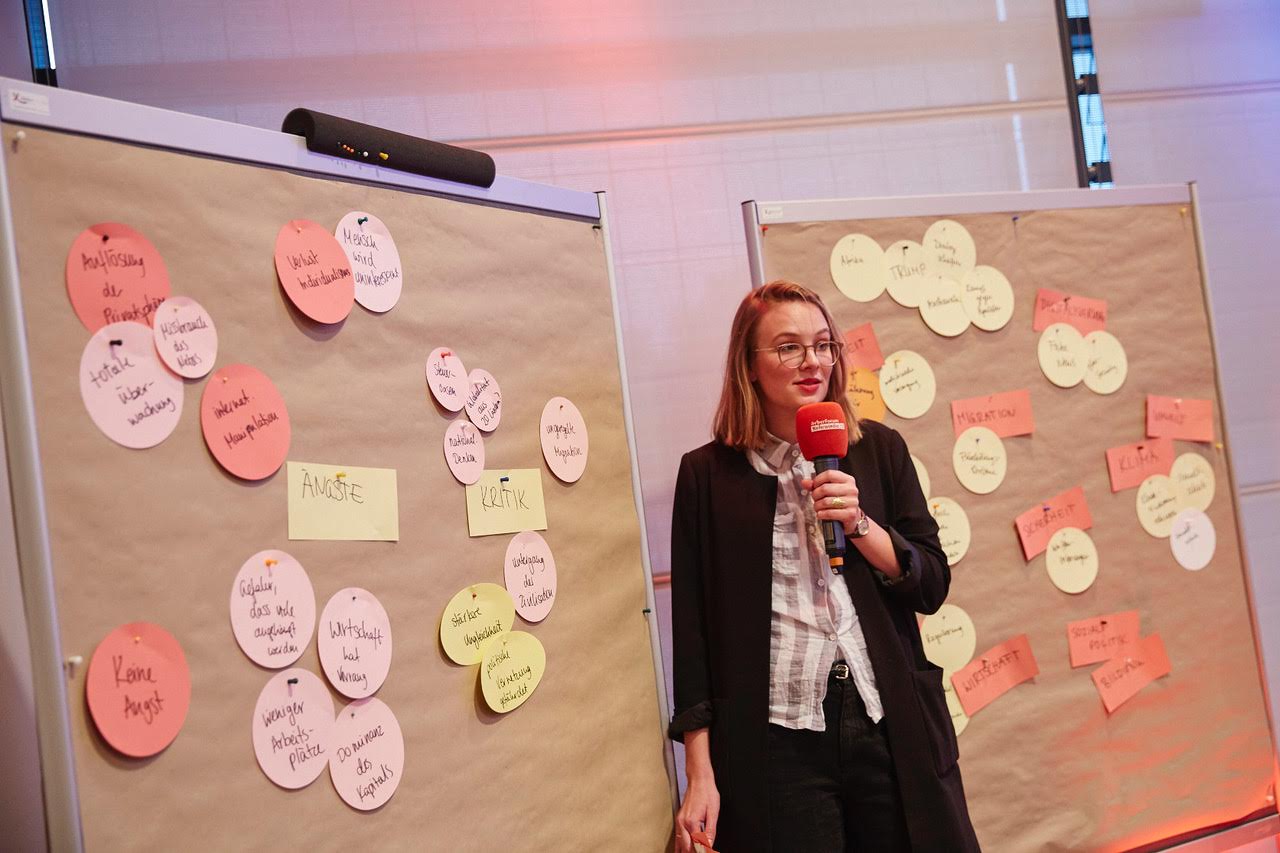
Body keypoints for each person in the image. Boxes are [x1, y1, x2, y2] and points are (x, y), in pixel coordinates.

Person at [668, 280, 979, 852]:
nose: (812, 361)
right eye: (789, 347)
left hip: (885, 718)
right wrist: (700, 772)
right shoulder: (707, 477)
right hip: (777, 736)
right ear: (749, 365)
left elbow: (931, 584)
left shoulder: (879, 449)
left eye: (823, 344)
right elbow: (693, 638)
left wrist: (859, 524)